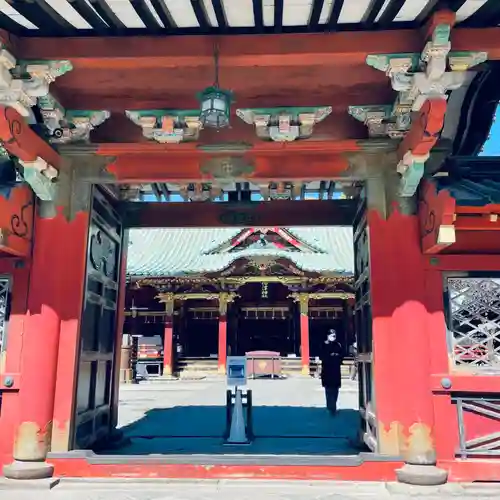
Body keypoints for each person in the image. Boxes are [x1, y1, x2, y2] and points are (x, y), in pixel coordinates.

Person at [320, 329, 344, 414]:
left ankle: (333, 404)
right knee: (328, 389)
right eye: (331, 335)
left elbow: (342, 356)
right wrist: (330, 356)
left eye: (334, 335)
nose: (333, 337)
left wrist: (336, 356)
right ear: (328, 335)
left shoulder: (338, 345)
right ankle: (330, 406)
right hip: (327, 369)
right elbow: (321, 356)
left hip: (336, 369)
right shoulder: (324, 345)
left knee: (335, 389)